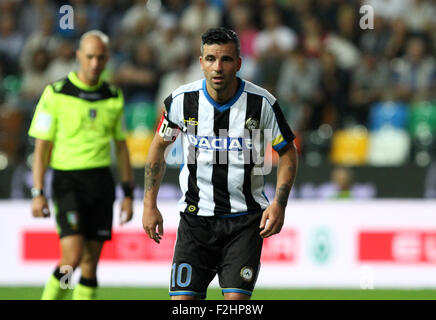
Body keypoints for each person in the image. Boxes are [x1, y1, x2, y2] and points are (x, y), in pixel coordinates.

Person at [142, 27, 298, 300]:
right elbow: (158, 148)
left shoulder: (261, 104)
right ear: (201, 62)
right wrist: (149, 204)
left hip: (245, 222)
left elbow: (288, 153)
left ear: (238, 63)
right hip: (195, 222)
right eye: (211, 58)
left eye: (226, 59)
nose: (218, 67)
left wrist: (279, 203)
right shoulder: (181, 101)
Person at [28, 30, 134, 300]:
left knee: (90, 265)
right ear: (78, 56)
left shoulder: (113, 96)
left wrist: (128, 193)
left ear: (107, 58)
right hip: (67, 182)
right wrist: (38, 192)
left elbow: (121, 148)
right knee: (72, 258)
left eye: (100, 57)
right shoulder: (55, 93)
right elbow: (41, 149)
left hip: (101, 182)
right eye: (89, 57)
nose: (95, 63)